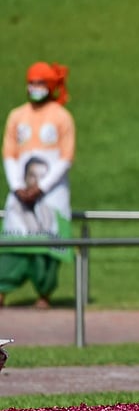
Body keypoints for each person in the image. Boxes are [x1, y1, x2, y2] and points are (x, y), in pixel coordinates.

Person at [0, 62, 75, 308]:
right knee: (14, 241)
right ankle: (2, 289)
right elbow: (10, 154)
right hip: (21, 191)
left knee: (46, 245)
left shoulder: (61, 117)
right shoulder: (17, 116)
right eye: (32, 82)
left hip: (49, 193)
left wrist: (41, 188)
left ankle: (44, 294)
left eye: (40, 83)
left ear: (51, 86)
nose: (35, 88)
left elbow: (65, 157)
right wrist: (18, 186)